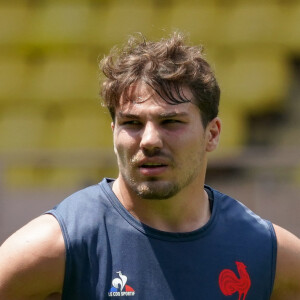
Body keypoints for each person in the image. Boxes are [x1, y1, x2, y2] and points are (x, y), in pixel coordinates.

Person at [0, 32, 299, 300]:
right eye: (132, 123)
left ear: (213, 134)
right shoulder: (60, 245)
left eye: (171, 122)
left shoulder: (264, 250)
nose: (150, 140)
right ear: (114, 132)